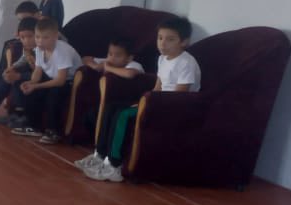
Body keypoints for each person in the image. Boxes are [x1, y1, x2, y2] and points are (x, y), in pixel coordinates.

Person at [80, 17, 201, 182]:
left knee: (123, 115)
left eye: (170, 39)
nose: (163, 43)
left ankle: (114, 165)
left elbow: (180, 94)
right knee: (111, 108)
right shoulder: (162, 58)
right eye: (160, 38)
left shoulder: (186, 62)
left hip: (174, 107)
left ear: (184, 42)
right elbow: (158, 85)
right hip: (158, 101)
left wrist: (150, 103)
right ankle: (100, 155)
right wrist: (145, 101)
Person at [11, 17, 81, 144]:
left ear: (55, 36)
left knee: (54, 93)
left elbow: (60, 81)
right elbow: (38, 71)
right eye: (37, 37)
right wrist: (31, 83)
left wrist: (36, 86)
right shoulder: (39, 49)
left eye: (45, 38)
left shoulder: (62, 51)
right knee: (29, 89)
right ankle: (33, 126)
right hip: (52, 78)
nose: (40, 41)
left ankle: (53, 132)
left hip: (71, 82)